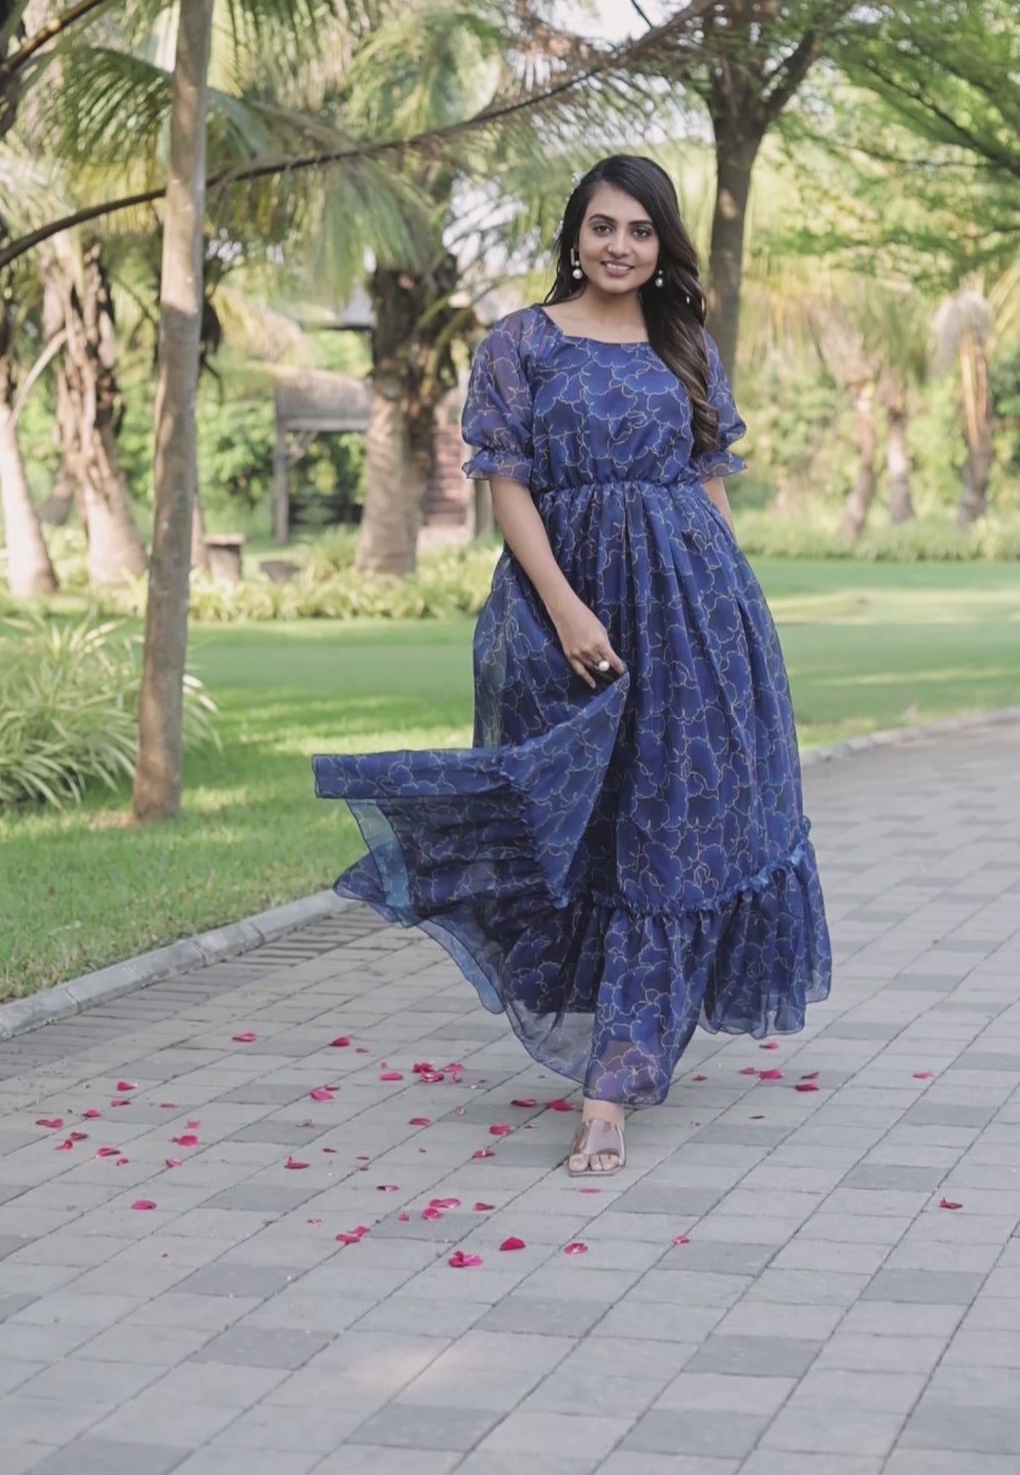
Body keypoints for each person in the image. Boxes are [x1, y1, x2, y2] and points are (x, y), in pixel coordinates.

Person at [313, 155, 831, 1175]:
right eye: (603, 226)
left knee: (667, 837)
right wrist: (565, 610)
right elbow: (507, 487)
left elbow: (710, 492)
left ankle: (613, 1086)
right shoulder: (523, 344)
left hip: (696, 617)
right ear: (575, 236)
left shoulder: (685, 345)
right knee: (571, 815)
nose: (619, 246)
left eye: (640, 230)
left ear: (662, 244)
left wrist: (736, 622)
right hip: (566, 614)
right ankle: (610, 1038)